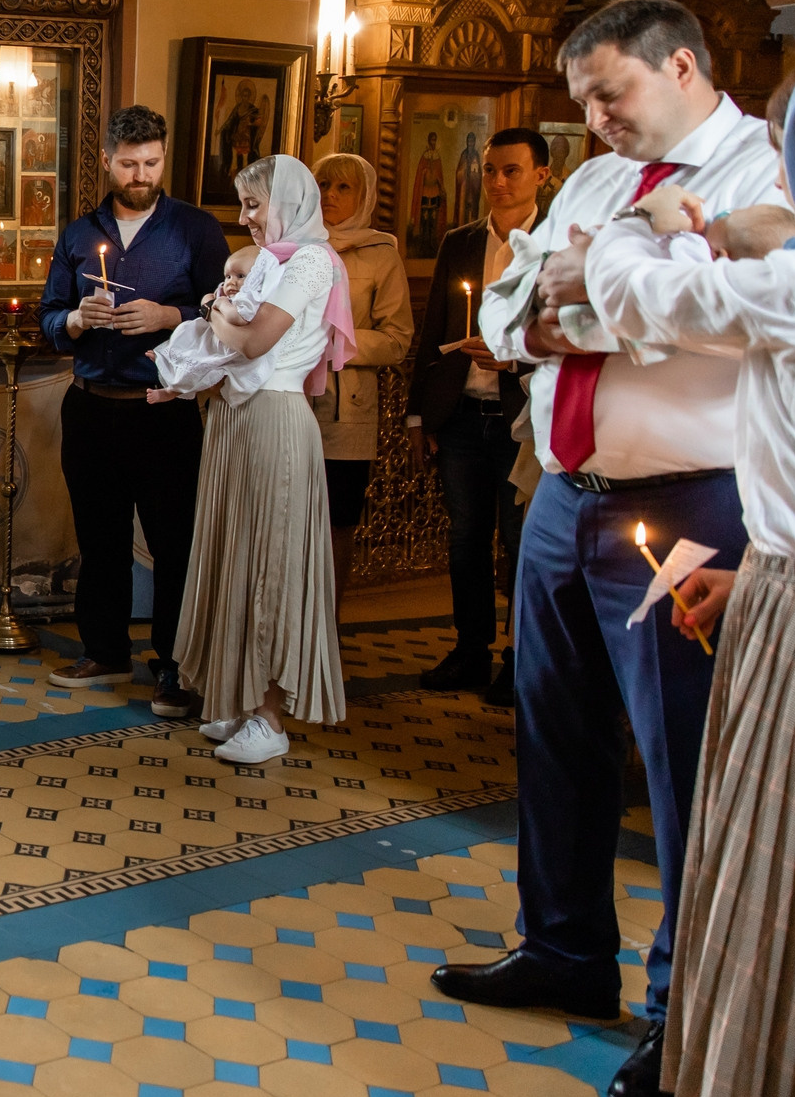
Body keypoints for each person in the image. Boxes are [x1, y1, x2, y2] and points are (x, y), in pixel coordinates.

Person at [440, 0, 789, 1097]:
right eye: (582, 101)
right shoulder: (595, 182)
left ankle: (682, 1011)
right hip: (561, 495)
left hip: (688, 499)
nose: (592, 121)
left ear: (680, 64)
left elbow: (736, 317)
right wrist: (557, 310)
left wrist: (583, 302)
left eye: (611, 94)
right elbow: (505, 310)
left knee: (681, 760)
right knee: (552, 734)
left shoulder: (761, 173)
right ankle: (565, 945)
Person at [585, 55, 795, 1097]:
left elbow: (631, 296)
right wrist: (757, 565)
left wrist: (652, 220)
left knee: (789, 876)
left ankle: (785, 1095)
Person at [38, 106, 231, 713]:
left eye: (151, 163)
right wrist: (73, 318)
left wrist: (169, 316)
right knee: (100, 538)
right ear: (107, 161)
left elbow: (227, 314)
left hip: (164, 411)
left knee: (175, 542)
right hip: (91, 407)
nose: (141, 174)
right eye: (129, 164)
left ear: (163, 158)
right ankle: (105, 648)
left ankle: (176, 664)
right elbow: (49, 318)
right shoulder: (78, 234)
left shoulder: (195, 231)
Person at [170, 155, 354, 765]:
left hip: (275, 419)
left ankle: (271, 717)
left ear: (290, 204)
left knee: (272, 559)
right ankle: (241, 698)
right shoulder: (269, 264)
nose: (244, 218)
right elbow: (230, 336)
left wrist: (213, 309)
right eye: (242, 204)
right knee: (234, 553)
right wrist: (219, 310)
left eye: (254, 205)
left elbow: (250, 341)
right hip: (233, 416)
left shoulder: (309, 262)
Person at [406, 129, 549, 695]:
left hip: (524, 419)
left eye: (511, 170)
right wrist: (419, 417)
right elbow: (435, 328)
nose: (496, 181)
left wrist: (515, 360)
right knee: (465, 537)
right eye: (490, 170)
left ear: (541, 174)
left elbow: (573, 337)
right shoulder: (461, 241)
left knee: (520, 542)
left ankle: (521, 656)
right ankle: (470, 649)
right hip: (462, 414)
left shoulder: (559, 245)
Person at [310, 151, 414, 611]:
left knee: (336, 521)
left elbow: (397, 340)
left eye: (342, 187)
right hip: (292, 401)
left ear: (365, 197)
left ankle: (325, 627)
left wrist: (335, 342)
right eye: (323, 185)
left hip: (345, 408)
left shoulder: (381, 254)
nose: (329, 195)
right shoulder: (294, 244)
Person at [147, 243, 279, 401]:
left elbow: (237, 317)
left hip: (227, 346)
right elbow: (208, 302)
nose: (231, 282)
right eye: (228, 276)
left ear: (258, 278)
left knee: (202, 366)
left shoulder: (251, 299)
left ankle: (173, 390)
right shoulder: (226, 291)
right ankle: (169, 359)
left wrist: (219, 304)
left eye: (240, 276)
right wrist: (210, 300)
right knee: (186, 332)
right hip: (212, 336)